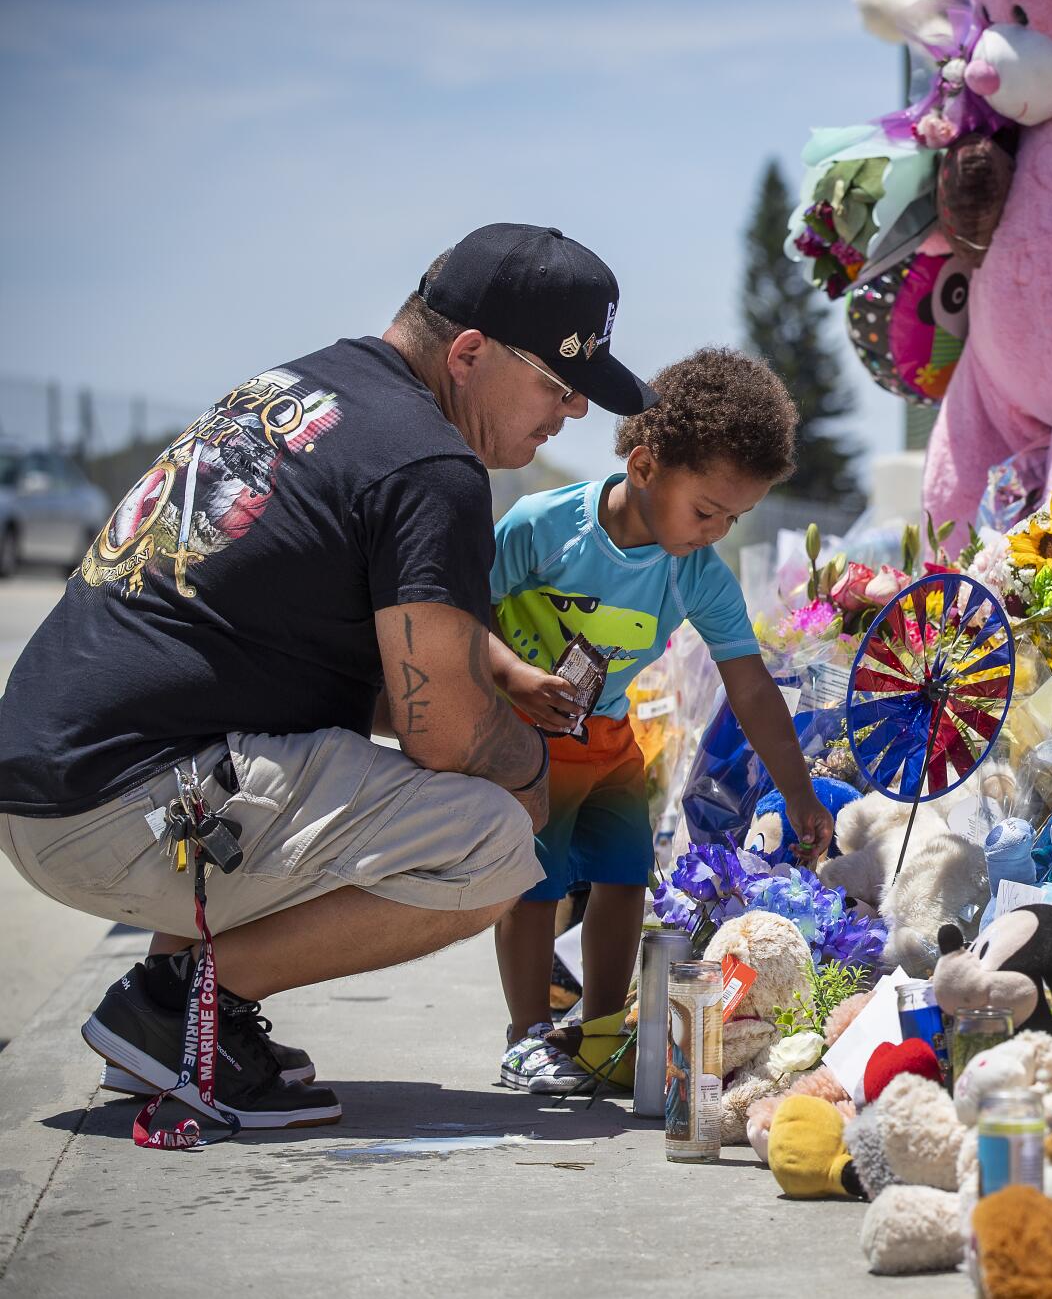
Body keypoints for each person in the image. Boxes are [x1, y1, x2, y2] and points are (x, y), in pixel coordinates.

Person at [0, 223, 652, 1131]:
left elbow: (324, 663)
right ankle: (179, 1011)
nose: (574, 412)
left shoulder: (300, 389)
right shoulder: (430, 461)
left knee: (338, 753)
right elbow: (450, 735)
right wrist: (537, 772)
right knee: (494, 838)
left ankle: (190, 1018)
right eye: (559, 382)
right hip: (118, 803)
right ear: (467, 354)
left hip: (54, 784)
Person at [486, 347, 835, 1092]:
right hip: (524, 744)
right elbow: (457, 615)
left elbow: (752, 689)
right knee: (534, 882)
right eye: (706, 509)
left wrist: (800, 793)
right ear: (644, 466)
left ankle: (599, 1031)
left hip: (610, 741)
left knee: (623, 879)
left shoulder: (696, 573)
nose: (716, 530)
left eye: (733, 517)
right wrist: (515, 675)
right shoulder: (543, 528)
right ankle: (526, 1036)